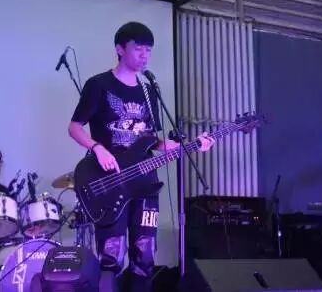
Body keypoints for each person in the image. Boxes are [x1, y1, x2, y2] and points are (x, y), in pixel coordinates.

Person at [68, 21, 215, 292]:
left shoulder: (149, 91)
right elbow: (75, 127)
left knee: (145, 254)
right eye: (138, 49)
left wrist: (192, 145)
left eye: (148, 50)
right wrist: (97, 148)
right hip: (110, 180)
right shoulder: (99, 85)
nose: (144, 56)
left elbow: (152, 142)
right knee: (112, 255)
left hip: (146, 182)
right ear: (120, 49)